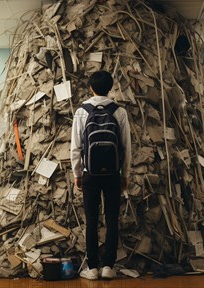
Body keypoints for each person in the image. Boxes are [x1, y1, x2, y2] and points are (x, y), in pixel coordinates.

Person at [70, 70, 131, 280]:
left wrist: (77, 173)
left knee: (92, 219)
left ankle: (93, 267)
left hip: (90, 174)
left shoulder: (81, 111)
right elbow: (126, 147)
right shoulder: (119, 111)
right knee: (112, 218)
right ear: (110, 86)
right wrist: (125, 173)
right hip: (113, 174)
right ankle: (108, 266)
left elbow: (75, 147)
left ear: (90, 87)